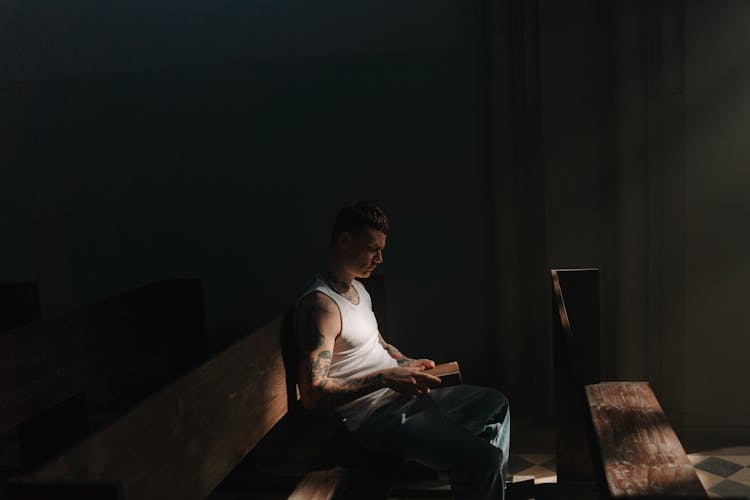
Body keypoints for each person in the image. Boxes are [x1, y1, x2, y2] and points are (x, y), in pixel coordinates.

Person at [294, 201, 510, 500]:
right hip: (376, 419)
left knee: (494, 404)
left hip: (401, 399)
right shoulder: (320, 306)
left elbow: (378, 344)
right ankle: (477, 474)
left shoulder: (357, 289)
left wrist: (407, 362)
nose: (379, 258)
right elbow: (313, 394)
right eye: (372, 249)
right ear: (345, 241)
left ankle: (476, 481)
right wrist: (385, 378)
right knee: (486, 461)